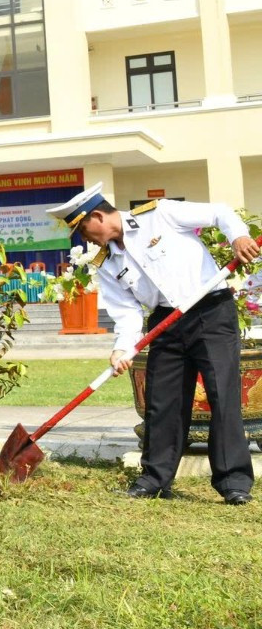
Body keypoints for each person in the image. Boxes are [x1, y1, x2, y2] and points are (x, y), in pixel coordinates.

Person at [48, 185, 259, 503]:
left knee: (222, 393)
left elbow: (220, 212)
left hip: (210, 311)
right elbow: (128, 313)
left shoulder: (159, 214)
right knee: (162, 401)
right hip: (165, 322)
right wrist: (122, 348)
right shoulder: (105, 263)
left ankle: (233, 482)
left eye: (82, 229)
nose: (84, 238)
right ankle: (154, 478)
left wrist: (238, 237)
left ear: (97, 216)